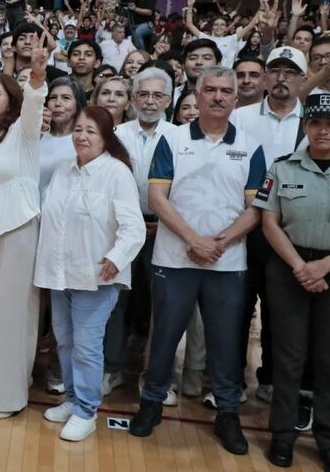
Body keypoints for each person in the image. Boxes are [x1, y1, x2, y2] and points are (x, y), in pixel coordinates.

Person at [130, 66, 266, 456]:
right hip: (174, 259)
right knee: (164, 339)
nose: (218, 97)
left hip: (226, 263)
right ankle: (152, 403)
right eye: (210, 89)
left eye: (226, 91)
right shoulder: (172, 141)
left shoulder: (251, 146)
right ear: (197, 94)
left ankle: (227, 413)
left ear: (236, 99)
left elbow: (255, 208)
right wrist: (194, 240)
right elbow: (158, 199)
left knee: (225, 343)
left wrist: (216, 243)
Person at [37, 106, 145, 442]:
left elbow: (134, 228)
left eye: (91, 132)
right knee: (65, 342)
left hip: (95, 276)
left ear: (106, 137)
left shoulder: (117, 174)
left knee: (86, 345)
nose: (82, 137)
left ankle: (86, 409)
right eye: (78, 130)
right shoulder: (63, 170)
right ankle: (72, 398)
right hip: (59, 274)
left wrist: (116, 258)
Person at [0, 48, 48, 419]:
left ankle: (8, 396)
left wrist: (36, 77)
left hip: (19, 225)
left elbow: (34, 103)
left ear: (10, 99)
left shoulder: (24, 130)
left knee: (13, 311)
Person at [253, 93, 330, 469]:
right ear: (306, 127)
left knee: (328, 357)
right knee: (289, 356)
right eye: (316, 123)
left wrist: (323, 266)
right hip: (289, 266)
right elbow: (269, 221)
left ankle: (326, 437)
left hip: (329, 268)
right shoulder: (283, 168)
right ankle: (282, 435)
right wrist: (302, 266)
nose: (323, 131)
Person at [230, 46, 308, 404]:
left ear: (303, 80)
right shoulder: (241, 118)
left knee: (280, 312)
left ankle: (270, 379)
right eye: (275, 70)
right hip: (245, 229)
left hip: (290, 233)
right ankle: (230, 379)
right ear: (263, 77)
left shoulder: (314, 123)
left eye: (290, 72)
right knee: (237, 308)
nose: (281, 78)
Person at [111, 68, 176, 395]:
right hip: (121, 227)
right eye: (144, 95)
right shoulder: (116, 134)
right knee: (115, 300)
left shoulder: (179, 136)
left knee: (159, 303)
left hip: (163, 228)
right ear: (133, 98)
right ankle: (110, 368)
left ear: (168, 100)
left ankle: (153, 374)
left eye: (157, 95)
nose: (150, 102)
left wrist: (160, 221)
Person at [40, 77, 86, 194]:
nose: (57, 104)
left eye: (66, 98)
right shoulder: (36, 137)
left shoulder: (84, 140)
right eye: (53, 98)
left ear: (77, 104)